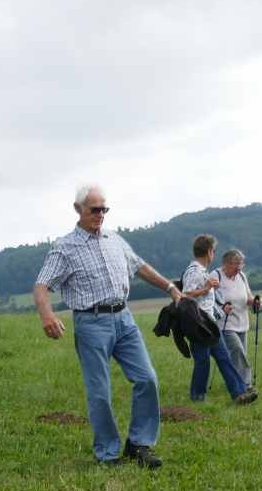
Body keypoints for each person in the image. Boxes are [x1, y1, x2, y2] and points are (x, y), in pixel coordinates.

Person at [31, 184, 184, 467]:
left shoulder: (115, 239)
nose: (100, 214)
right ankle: (108, 453)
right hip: (91, 323)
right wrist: (47, 316)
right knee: (100, 392)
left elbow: (140, 266)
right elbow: (41, 286)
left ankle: (139, 444)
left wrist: (171, 288)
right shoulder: (64, 248)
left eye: (104, 209)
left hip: (124, 319)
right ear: (78, 210)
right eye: (94, 209)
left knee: (147, 378)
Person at [181, 235, 251, 403]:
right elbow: (185, 294)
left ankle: (240, 394)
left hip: (209, 323)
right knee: (203, 361)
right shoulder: (194, 271)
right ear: (210, 252)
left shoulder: (201, 271)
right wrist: (206, 287)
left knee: (224, 358)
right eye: (214, 251)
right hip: (199, 323)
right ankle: (198, 397)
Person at [214, 248, 261, 396]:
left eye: (241, 264)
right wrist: (221, 307)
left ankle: (234, 383)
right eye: (236, 264)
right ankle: (246, 386)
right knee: (238, 352)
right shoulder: (215, 276)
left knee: (239, 356)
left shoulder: (242, 276)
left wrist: (255, 302)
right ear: (226, 263)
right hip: (225, 324)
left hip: (242, 323)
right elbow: (208, 300)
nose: (239, 268)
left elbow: (247, 297)